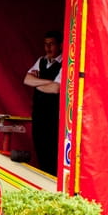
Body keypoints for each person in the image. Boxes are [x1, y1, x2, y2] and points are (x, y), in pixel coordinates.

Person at [24, 29, 63, 176]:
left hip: (54, 117)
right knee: (40, 149)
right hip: (39, 114)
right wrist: (47, 82)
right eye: (46, 44)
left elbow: (56, 89)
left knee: (52, 152)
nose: (48, 48)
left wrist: (37, 83)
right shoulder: (41, 61)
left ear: (60, 45)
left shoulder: (65, 62)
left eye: (51, 44)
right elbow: (26, 80)